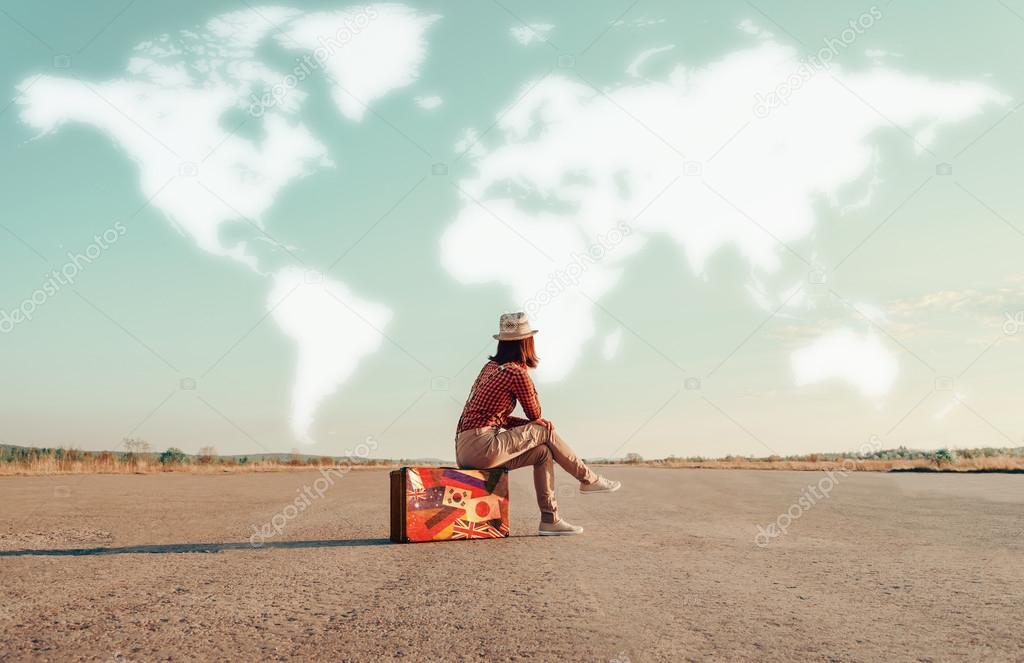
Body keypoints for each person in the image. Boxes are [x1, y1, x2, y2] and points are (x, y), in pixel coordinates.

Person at [455, 312, 621, 536]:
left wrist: (532, 427)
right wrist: (528, 381)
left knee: (542, 452)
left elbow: (500, 419)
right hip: (483, 446)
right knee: (543, 429)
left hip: (466, 448)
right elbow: (536, 413)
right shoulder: (515, 373)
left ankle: (550, 520)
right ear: (527, 343)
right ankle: (588, 478)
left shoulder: (490, 368)